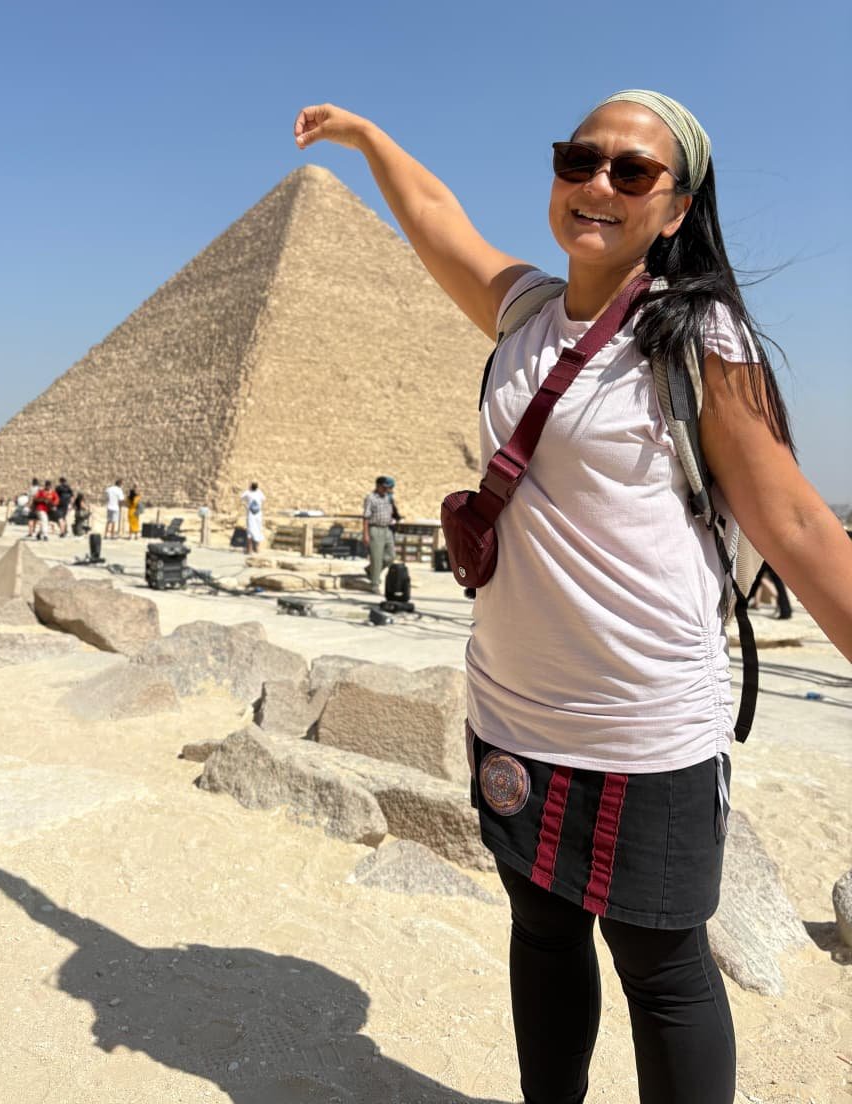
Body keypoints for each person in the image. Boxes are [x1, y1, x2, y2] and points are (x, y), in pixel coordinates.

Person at [294, 95, 852, 1104]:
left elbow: (804, 528)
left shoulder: (696, 340)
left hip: (644, 723)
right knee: (542, 932)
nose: (597, 183)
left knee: (662, 966)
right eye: (578, 159)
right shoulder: (520, 312)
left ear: (676, 208)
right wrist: (368, 137)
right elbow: (434, 216)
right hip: (514, 710)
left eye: (631, 172)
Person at [361, 475, 398, 593]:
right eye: (384, 487)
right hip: (375, 529)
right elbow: (366, 517)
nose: (386, 489)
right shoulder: (371, 498)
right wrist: (365, 534)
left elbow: (392, 511)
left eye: (387, 488)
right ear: (377, 486)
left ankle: (370, 570)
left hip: (387, 529)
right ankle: (374, 584)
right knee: (376, 558)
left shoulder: (388, 497)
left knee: (391, 556)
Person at [240, 482, 265, 553]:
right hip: (258, 514)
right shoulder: (259, 493)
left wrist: (248, 490)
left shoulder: (248, 493)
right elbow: (263, 499)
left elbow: (241, 497)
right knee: (258, 529)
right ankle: (257, 549)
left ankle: (249, 550)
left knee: (250, 530)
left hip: (251, 514)